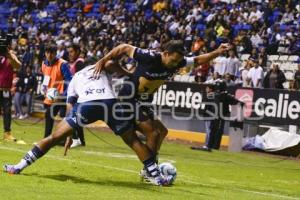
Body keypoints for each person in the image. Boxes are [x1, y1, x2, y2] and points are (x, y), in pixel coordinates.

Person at [3, 61, 169, 186]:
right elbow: (111, 62)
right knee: (133, 140)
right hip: (110, 104)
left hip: (87, 106)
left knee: (54, 137)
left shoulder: (75, 78)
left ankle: (18, 166)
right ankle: (156, 177)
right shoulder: (100, 66)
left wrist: (70, 132)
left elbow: (70, 106)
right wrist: (127, 73)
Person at [93, 40, 230, 176]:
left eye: (178, 62)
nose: (176, 65)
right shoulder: (149, 57)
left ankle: (151, 166)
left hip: (143, 101)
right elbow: (123, 47)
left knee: (162, 131)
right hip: (128, 98)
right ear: (165, 54)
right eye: (174, 60)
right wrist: (102, 60)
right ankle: (150, 171)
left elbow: (198, 60)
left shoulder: (178, 61)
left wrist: (217, 52)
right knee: (153, 133)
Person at [191, 81, 242, 151]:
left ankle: (210, 145)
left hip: (214, 115)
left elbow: (205, 98)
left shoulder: (216, 95)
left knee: (213, 130)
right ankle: (214, 146)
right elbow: (235, 101)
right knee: (218, 131)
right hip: (220, 116)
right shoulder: (225, 95)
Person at [41, 43, 72, 138]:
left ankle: (64, 139)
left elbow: (69, 81)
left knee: (63, 117)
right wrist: (44, 89)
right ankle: (48, 138)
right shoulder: (44, 64)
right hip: (52, 96)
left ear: (56, 53)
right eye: (47, 52)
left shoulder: (63, 64)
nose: (49, 55)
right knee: (51, 115)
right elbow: (46, 78)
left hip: (62, 96)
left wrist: (63, 95)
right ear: (45, 53)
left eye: (52, 53)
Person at [0, 35, 24, 143]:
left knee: (7, 111)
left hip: (6, 89)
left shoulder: (12, 55)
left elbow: (18, 66)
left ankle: (7, 134)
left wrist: (9, 55)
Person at [67, 43, 85, 147]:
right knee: (77, 117)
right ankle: (81, 140)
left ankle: (75, 138)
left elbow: (80, 79)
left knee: (70, 115)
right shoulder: (77, 62)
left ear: (78, 51)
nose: (70, 54)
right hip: (76, 94)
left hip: (76, 95)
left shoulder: (79, 63)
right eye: (69, 52)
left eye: (72, 52)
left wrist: (78, 94)